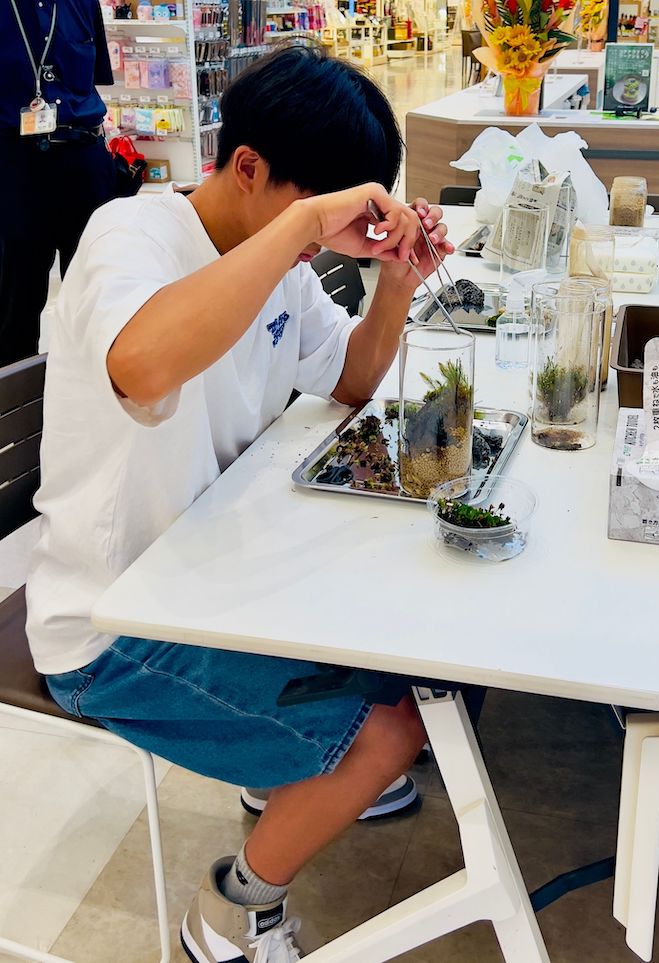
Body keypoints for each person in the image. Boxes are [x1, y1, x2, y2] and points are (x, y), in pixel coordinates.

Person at [25, 45, 454, 963]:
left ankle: (280, 772)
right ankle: (231, 910)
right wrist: (300, 227)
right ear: (247, 166)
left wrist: (394, 285)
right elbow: (143, 366)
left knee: (418, 647)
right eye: (317, 211)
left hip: (215, 584)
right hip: (111, 627)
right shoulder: (129, 236)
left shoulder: (283, 265)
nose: (321, 242)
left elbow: (351, 380)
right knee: (391, 734)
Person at [0, 0, 116, 366]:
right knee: (14, 300)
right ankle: (13, 396)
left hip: (83, 155)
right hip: (14, 160)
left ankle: (97, 388)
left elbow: (92, 74)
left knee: (98, 292)